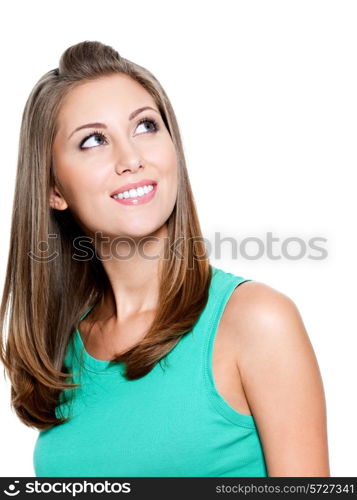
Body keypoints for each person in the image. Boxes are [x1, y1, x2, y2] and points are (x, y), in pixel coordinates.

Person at [0, 40, 330, 477]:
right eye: (94, 140)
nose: (131, 159)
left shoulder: (256, 322)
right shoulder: (65, 350)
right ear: (53, 189)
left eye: (145, 127)